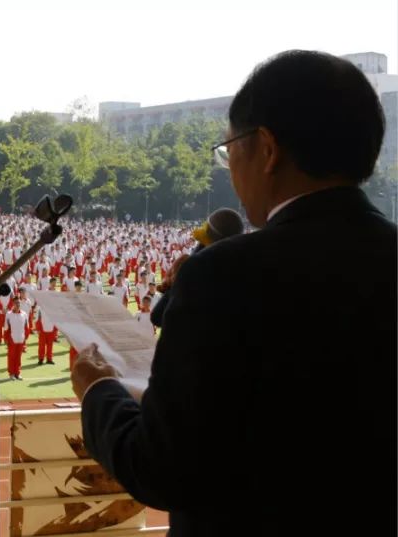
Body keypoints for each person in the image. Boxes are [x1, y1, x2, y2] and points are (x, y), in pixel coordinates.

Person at [71, 51, 397, 535]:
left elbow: (160, 469)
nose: (229, 168)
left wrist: (98, 391)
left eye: (229, 149)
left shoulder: (224, 275)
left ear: (267, 149)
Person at [3, 297, 29, 380]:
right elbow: (6, 328)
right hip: (12, 339)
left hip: (21, 339)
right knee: (11, 357)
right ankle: (11, 373)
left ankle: (17, 373)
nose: (18, 304)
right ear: (13, 304)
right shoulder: (9, 314)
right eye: (16, 303)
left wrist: (25, 338)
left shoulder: (24, 314)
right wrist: (6, 339)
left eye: (19, 303)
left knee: (18, 357)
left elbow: (27, 327)